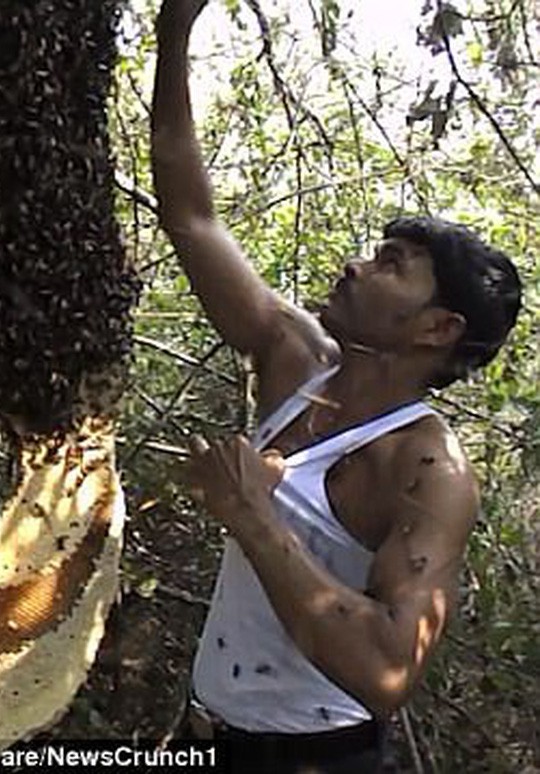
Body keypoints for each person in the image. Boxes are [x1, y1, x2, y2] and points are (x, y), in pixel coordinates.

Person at [150, 1, 522, 772]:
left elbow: (388, 672)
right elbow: (192, 217)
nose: (356, 265)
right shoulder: (296, 358)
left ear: (438, 330)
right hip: (206, 738)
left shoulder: (427, 470)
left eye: (391, 264)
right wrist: (173, 34)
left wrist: (253, 514)